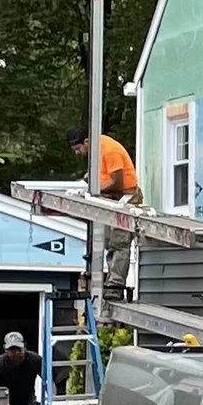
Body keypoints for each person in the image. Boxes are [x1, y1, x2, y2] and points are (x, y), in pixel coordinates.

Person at [68, 124, 144, 298]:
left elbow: (117, 182)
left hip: (126, 197)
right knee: (109, 241)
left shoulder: (109, 149)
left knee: (120, 242)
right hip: (111, 198)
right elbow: (103, 175)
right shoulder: (96, 150)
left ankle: (115, 285)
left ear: (87, 141)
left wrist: (95, 190)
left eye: (78, 148)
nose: (77, 153)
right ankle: (110, 280)